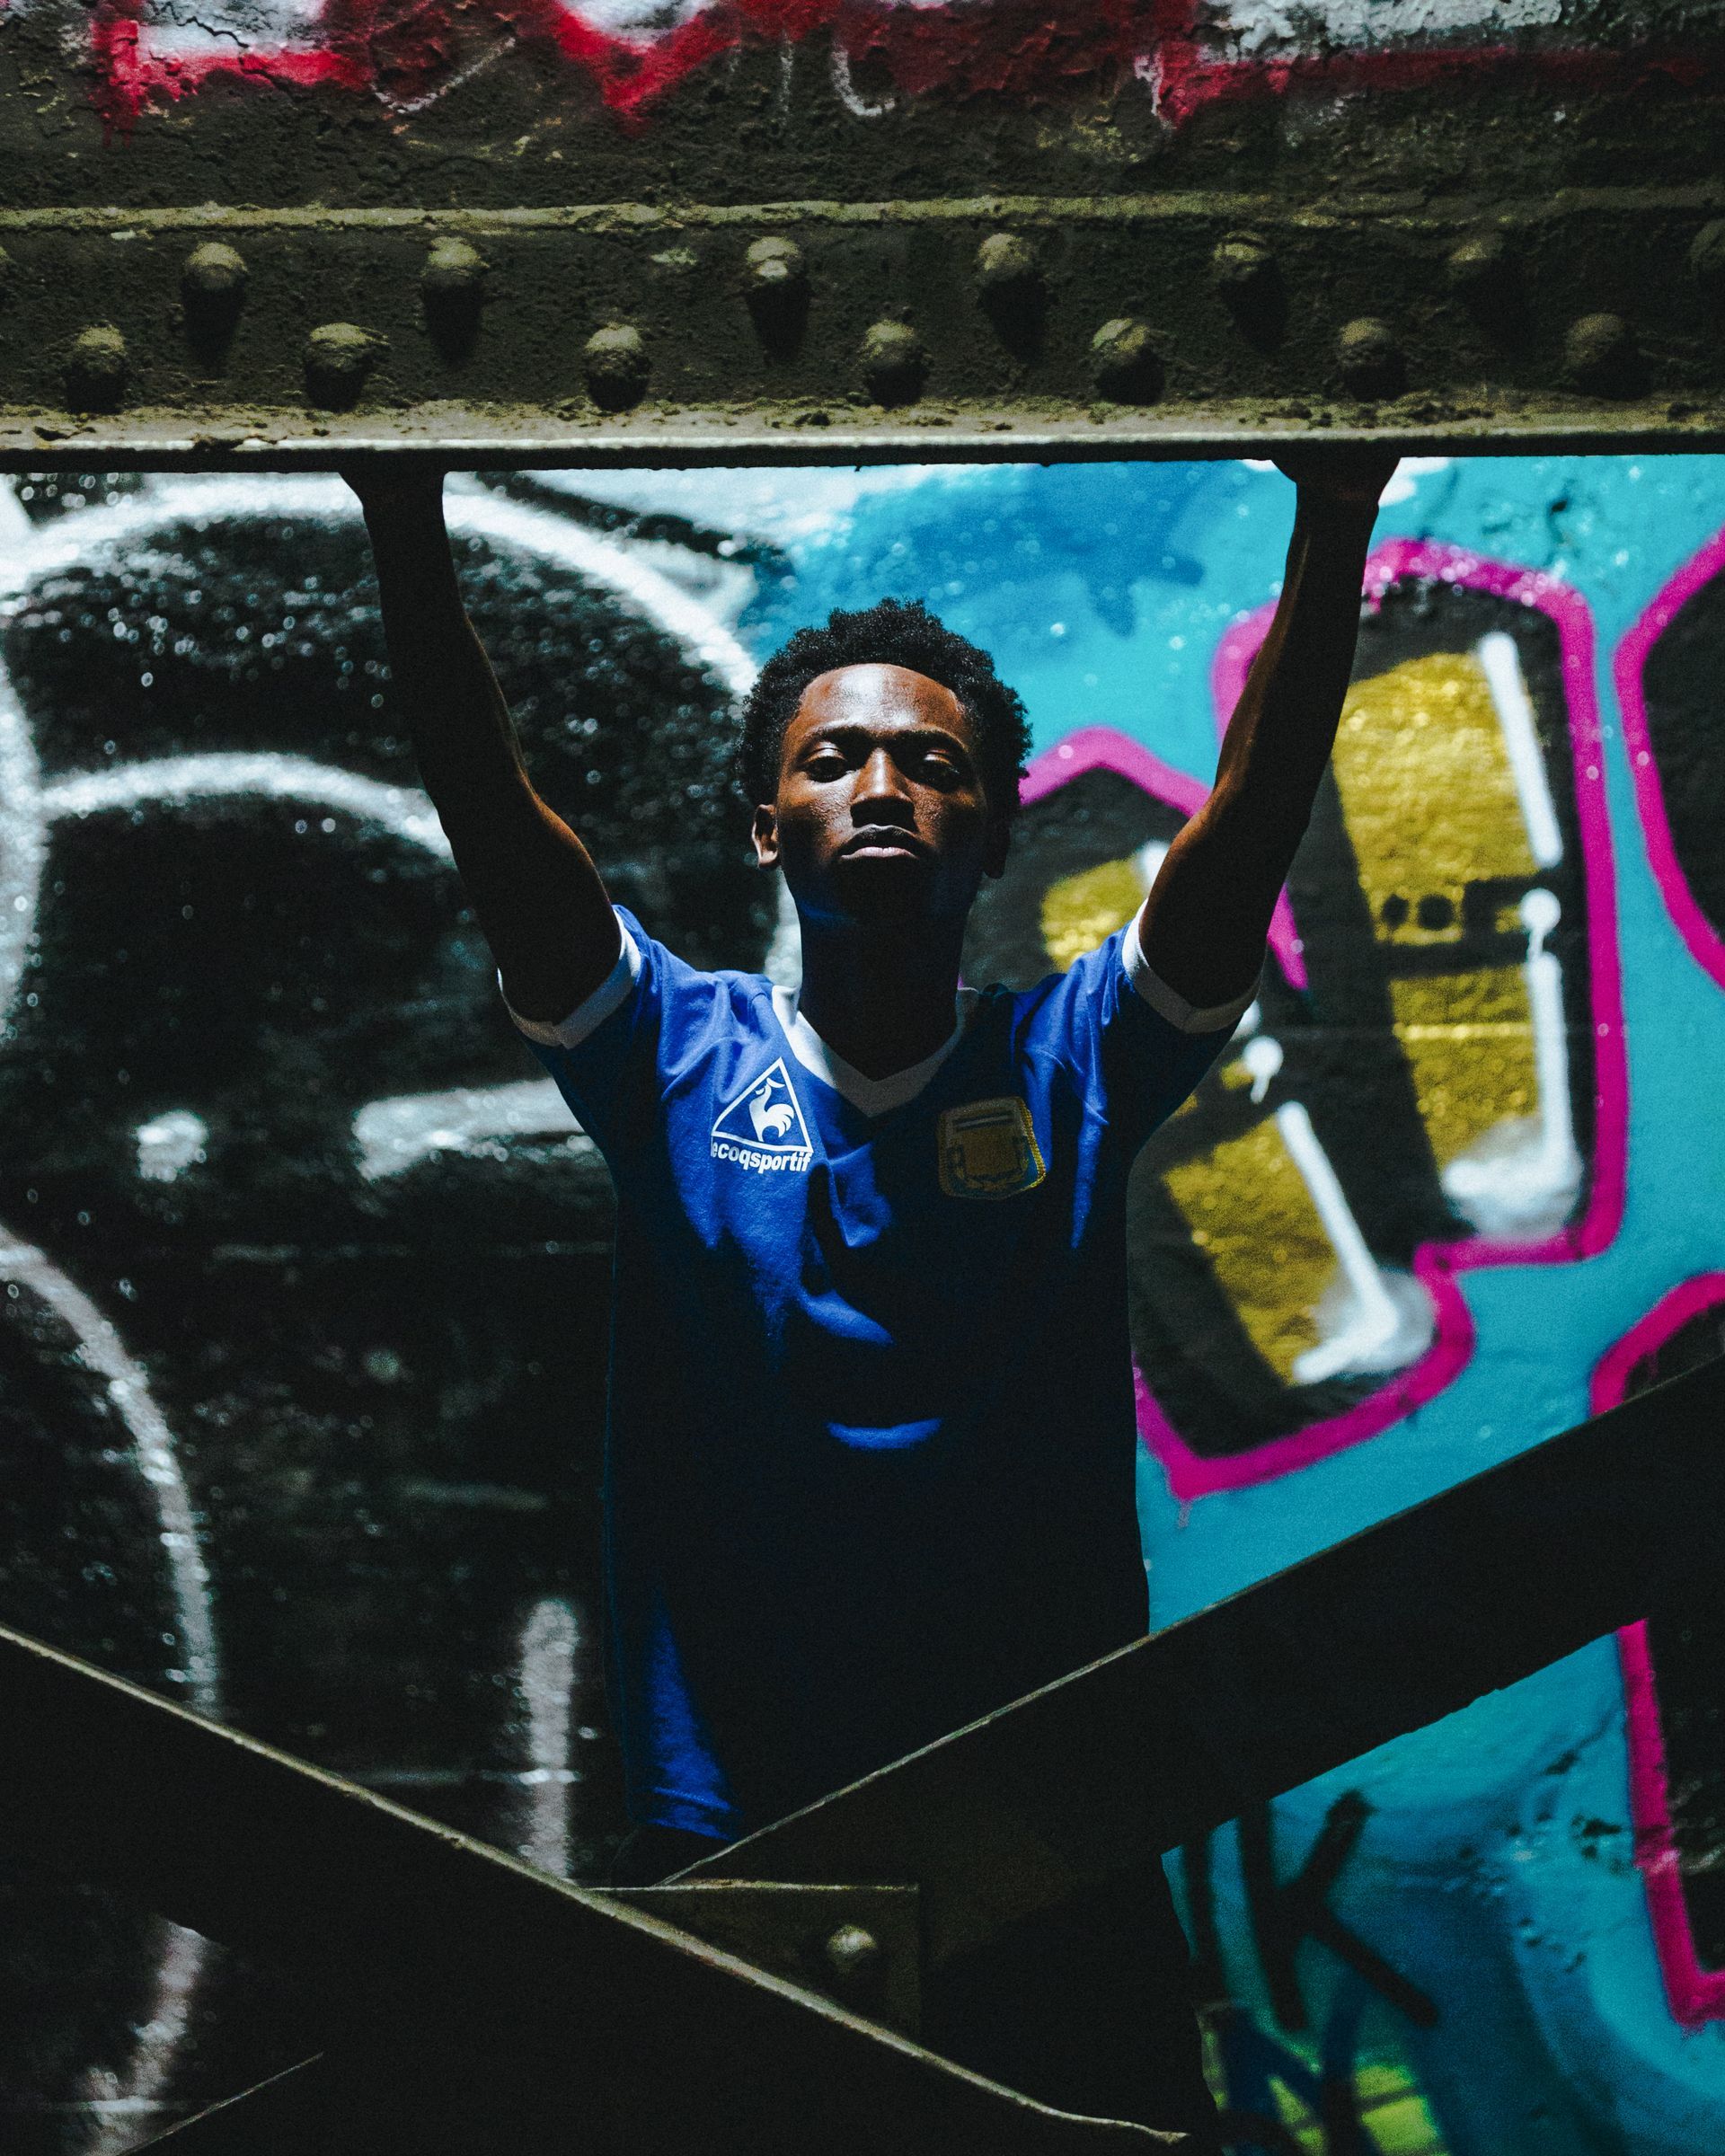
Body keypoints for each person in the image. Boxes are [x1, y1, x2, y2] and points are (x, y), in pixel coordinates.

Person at [347, 450, 1398, 2142]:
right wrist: (404, 519)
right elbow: (492, 814)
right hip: (737, 1815)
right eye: (833, 760)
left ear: (991, 822)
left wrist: (1335, 511)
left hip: (1052, 1799)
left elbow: (1247, 830)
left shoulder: (1071, 1062)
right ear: (769, 821)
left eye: (931, 760)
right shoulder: (675, 1059)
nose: (883, 782)